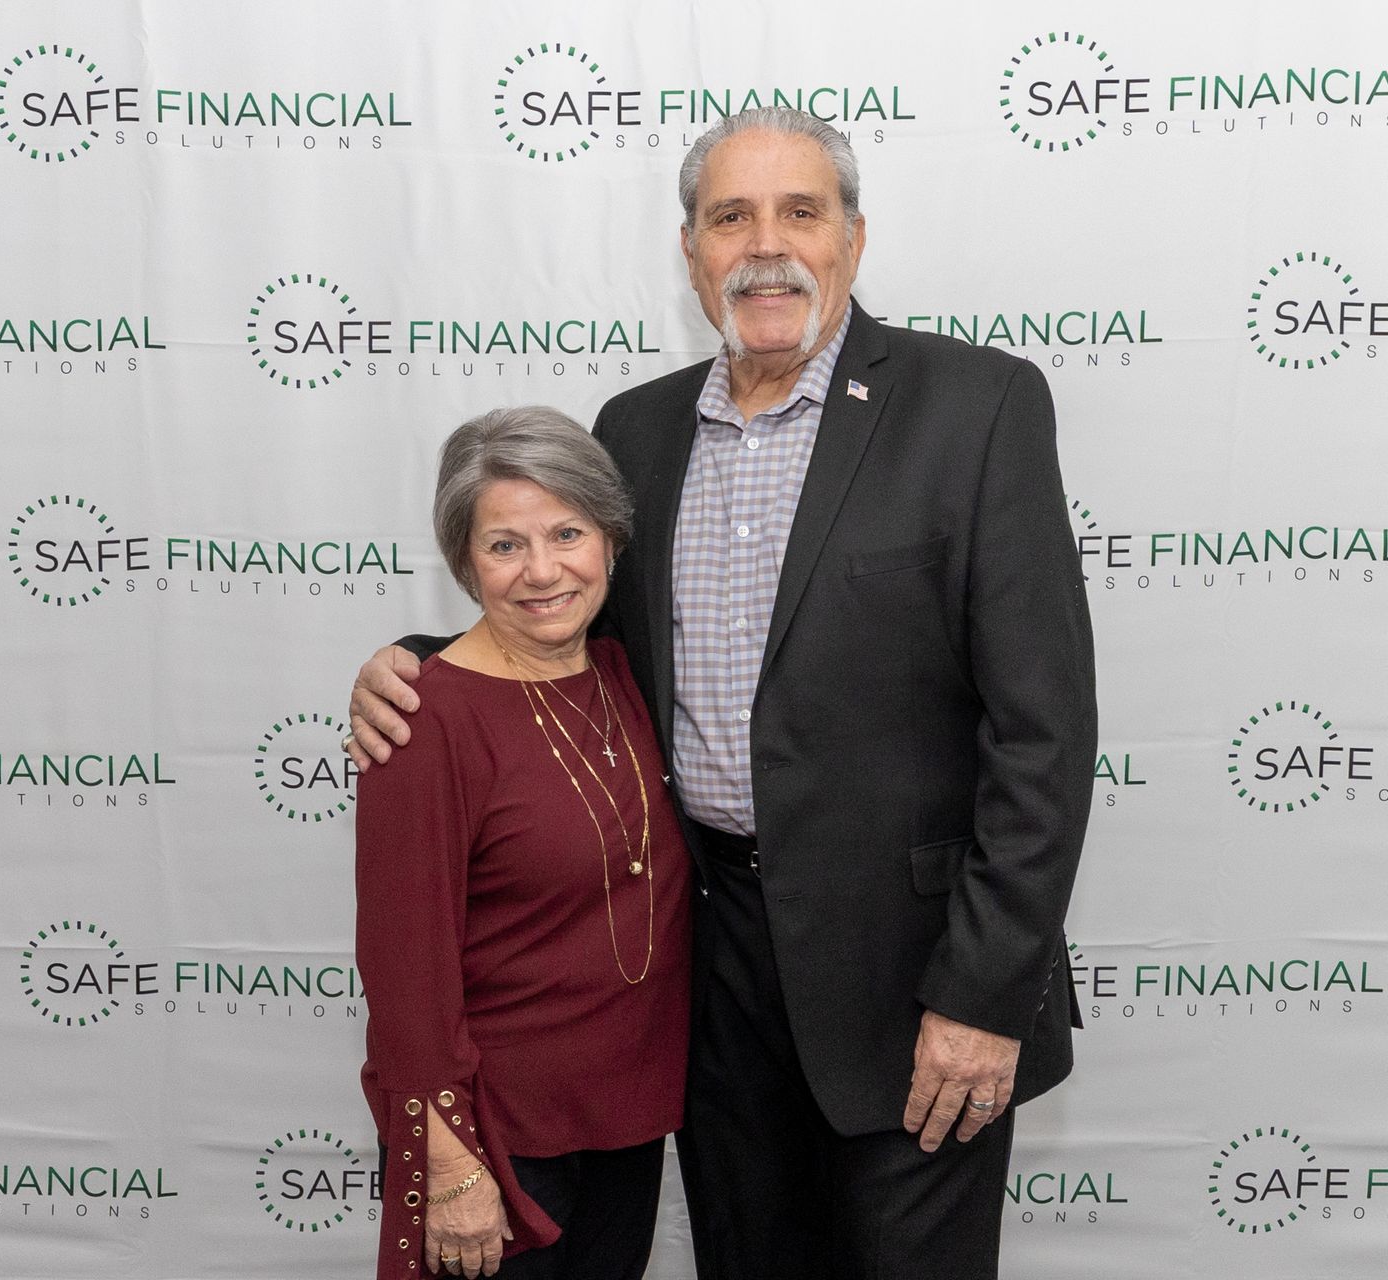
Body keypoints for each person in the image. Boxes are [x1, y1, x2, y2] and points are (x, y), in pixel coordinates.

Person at [346, 107, 1096, 1278]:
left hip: (913, 979)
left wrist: (983, 991)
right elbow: (572, 629)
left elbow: (1044, 736)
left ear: (853, 237)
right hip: (707, 970)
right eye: (730, 215)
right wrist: (418, 661)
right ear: (690, 248)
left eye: (801, 211)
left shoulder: (978, 407)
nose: (767, 243)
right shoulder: (635, 430)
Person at [353, 406, 690, 1280]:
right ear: (465, 561)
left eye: (567, 533)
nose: (543, 571)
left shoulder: (624, 674)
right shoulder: (422, 721)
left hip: (627, 1120)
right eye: (505, 545)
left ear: (612, 542)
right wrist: (448, 1163)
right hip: (498, 1144)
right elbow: (405, 972)